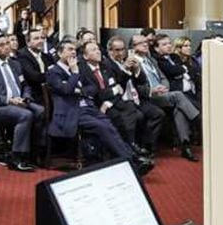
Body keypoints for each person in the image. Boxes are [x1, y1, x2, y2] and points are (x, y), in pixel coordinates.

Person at [46, 40, 153, 175]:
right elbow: (67, 90)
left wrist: (79, 89)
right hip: (70, 112)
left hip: (87, 107)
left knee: (109, 124)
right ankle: (131, 162)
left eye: (74, 49)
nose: (73, 52)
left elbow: (92, 88)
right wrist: (74, 74)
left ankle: (130, 158)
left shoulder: (78, 68)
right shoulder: (54, 71)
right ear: (60, 53)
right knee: (102, 126)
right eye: (69, 49)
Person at [0, 34, 44, 172]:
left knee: (40, 111)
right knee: (25, 115)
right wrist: (9, 100)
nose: (6, 47)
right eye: (1, 45)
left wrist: (26, 98)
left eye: (7, 43)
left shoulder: (15, 64)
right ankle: (17, 156)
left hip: (19, 101)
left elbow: (25, 85)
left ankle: (34, 152)